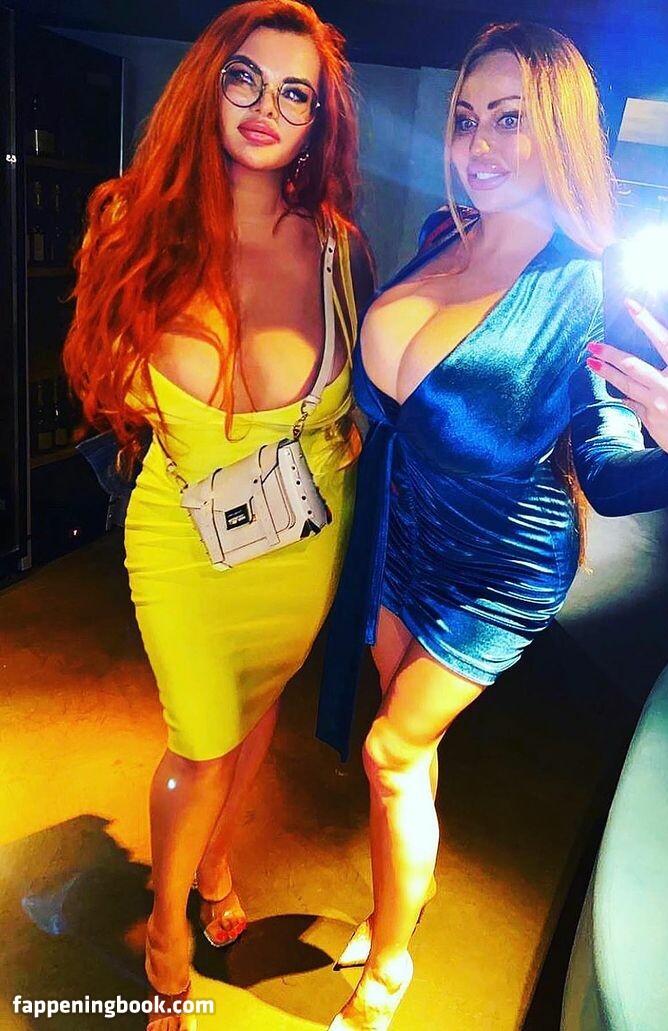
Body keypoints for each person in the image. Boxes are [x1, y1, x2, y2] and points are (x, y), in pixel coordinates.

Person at [316, 21, 668, 1031]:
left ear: (560, 128)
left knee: (389, 750)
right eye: (467, 118)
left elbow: (608, 465)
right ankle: (394, 904)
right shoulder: (441, 232)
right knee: (409, 753)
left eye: (510, 119)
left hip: (496, 566)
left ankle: (391, 965)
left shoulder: (590, 284)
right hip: (398, 532)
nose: (480, 144)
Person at [63, 2, 373, 1027]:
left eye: (295, 92)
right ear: (209, 82)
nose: (264, 106)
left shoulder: (337, 251)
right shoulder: (135, 226)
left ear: (319, 120)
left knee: (259, 707)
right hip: (184, 539)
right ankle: (167, 938)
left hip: (300, 543)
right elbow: (104, 365)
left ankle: (218, 864)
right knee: (200, 741)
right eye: (246, 77)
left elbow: (368, 396)